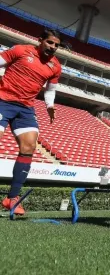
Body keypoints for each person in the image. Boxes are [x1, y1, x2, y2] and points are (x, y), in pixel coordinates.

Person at [0, 28, 62, 215]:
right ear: (40, 40)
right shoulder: (20, 50)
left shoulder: (55, 66)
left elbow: (50, 90)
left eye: (56, 45)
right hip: (2, 100)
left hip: (26, 108)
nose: (53, 47)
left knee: (29, 146)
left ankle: (12, 199)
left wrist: (49, 105)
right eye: (50, 42)